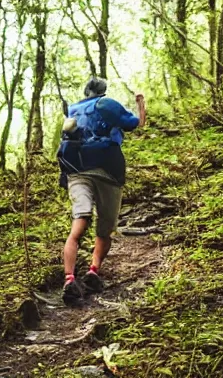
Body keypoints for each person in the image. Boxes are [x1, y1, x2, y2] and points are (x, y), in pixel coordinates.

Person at [58, 77, 146, 305]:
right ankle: (93, 271)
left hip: (76, 170)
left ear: (85, 91)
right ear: (103, 91)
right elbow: (137, 123)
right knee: (105, 229)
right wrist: (141, 103)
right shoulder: (107, 105)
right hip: (107, 171)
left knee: (79, 221)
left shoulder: (73, 109)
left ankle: (69, 278)